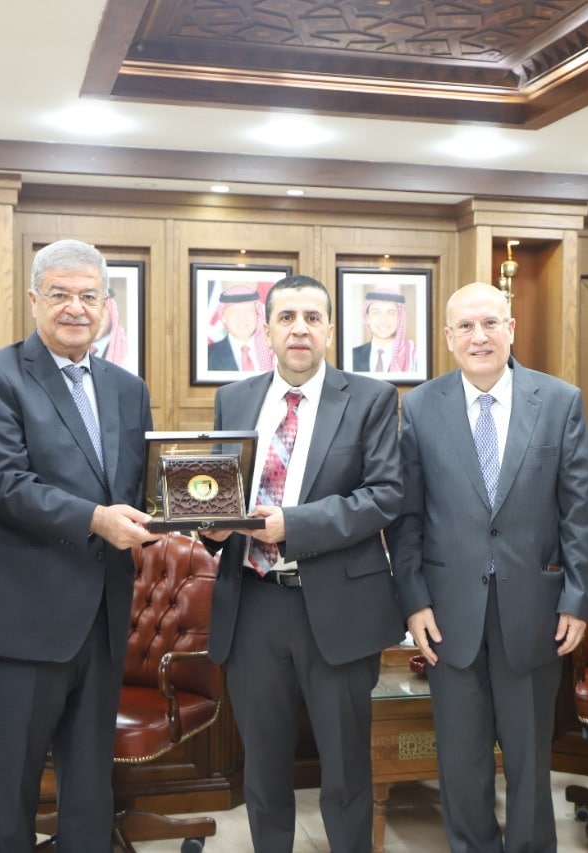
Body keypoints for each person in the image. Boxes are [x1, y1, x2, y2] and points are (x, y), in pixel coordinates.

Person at [0, 239, 159, 852]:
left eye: (89, 295)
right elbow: (1, 484)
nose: (75, 308)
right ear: (34, 299)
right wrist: (97, 520)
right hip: (20, 620)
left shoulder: (128, 388)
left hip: (103, 618)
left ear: (106, 305)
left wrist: (201, 516)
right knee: (9, 789)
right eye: (60, 294)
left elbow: (141, 487)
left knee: (89, 787)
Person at [387, 281, 588, 853]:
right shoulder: (421, 406)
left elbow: (579, 513)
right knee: (461, 763)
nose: (479, 336)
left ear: (511, 329)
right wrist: (413, 601)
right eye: (465, 326)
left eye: (490, 323)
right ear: (448, 337)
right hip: (448, 615)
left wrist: (577, 599)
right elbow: (406, 517)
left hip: (534, 614)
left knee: (529, 761)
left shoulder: (559, 401)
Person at [200, 273, 404, 853]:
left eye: (312, 318)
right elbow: (219, 491)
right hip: (252, 603)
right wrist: (212, 526)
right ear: (266, 330)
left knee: (345, 768)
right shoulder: (234, 398)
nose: (299, 329)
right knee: (263, 767)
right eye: (286, 317)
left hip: (339, 606)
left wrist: (294, 524)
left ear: (330, 331)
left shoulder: (370, 398)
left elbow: (385, 495)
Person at [351, 288, 416, 373]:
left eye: (391, 313)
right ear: (367, 318)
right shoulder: (352, 356)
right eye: (376, 312)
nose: (383, 320)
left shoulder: (413, 356)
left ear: (399, 319)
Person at [207, 284, 268, 372]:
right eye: (235, 311)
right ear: (223, 317)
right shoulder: (208, 356)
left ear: (257, 314)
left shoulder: (274, 354)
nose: (242, 317)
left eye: (248, 310)